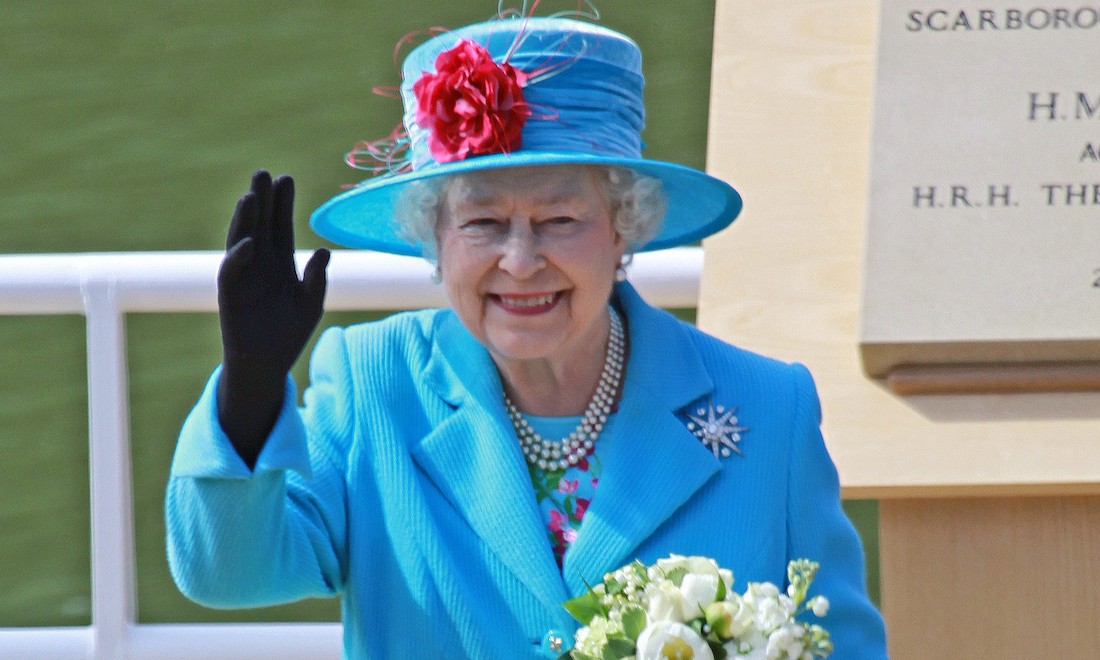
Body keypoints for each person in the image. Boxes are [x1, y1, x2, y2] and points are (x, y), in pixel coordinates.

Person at [165, 13, 887, 659]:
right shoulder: (373, 383)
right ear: (434, 237)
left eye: (559, 220)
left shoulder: (769, 408)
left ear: (624, 228)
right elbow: (226, 574)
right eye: (482, 222)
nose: (519, 260)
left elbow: (840, 647)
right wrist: (250, 391)